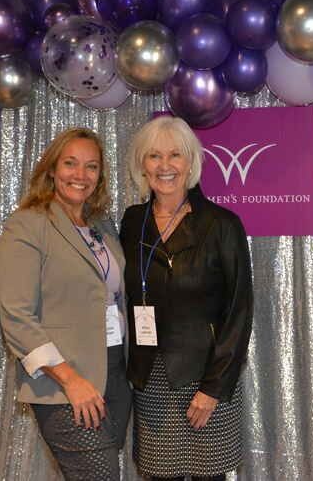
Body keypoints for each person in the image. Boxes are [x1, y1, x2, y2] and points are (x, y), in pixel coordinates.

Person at [120, 115, 253, 481]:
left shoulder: (222, 224)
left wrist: (213, 388)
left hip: (205, 378)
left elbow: (239, 311)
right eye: (154, 156)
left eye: (175, 155)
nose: (165, 165)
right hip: (151, 379)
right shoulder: (132, 222)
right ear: (142, 165)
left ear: (191, 163)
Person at [0, 128, 131, 481]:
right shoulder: (27, 224)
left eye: (91, 166)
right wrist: (71, 380)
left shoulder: (102, 225)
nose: (80, 175)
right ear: (52, 169)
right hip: (65, 384)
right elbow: (16, 315)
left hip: (115, 375)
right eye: (70, 163)